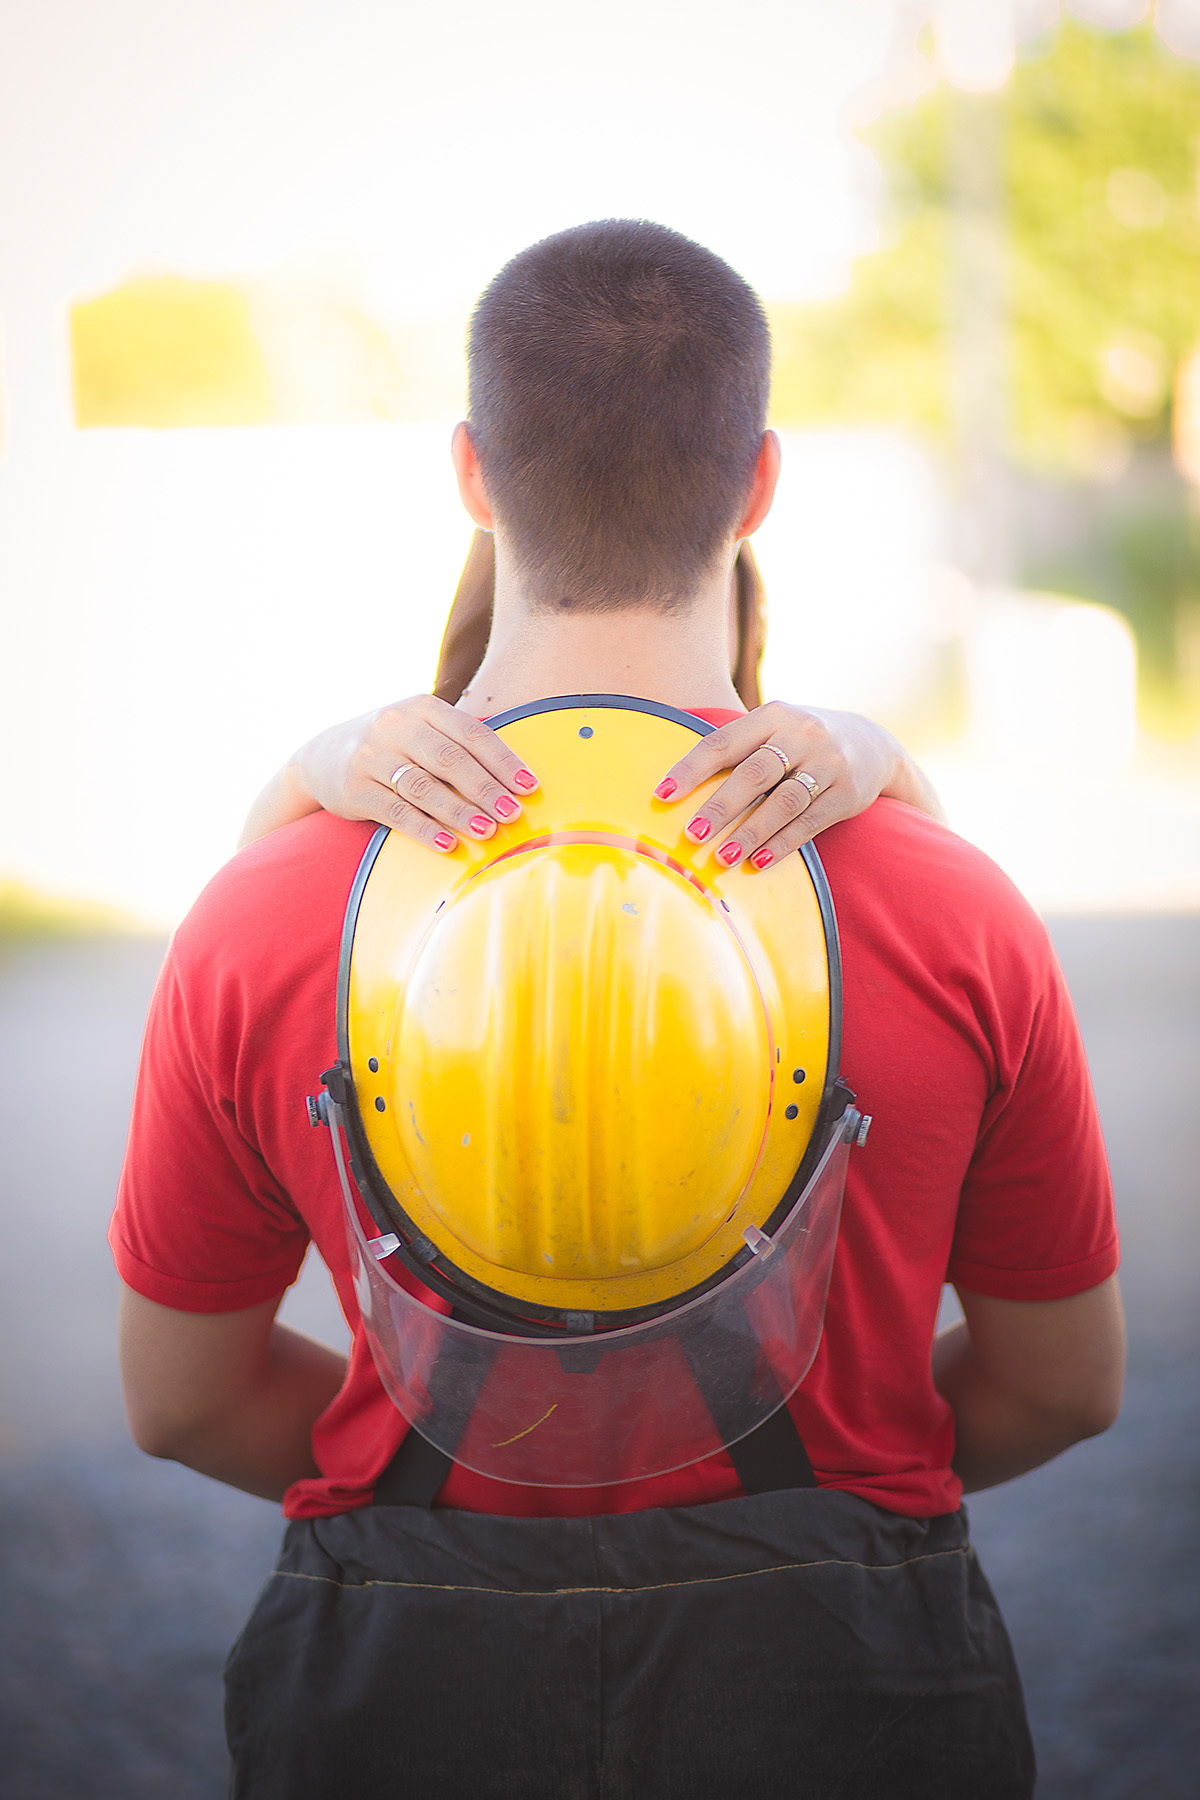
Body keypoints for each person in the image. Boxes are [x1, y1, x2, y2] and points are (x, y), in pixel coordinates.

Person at [112, 220, 1123, 1800]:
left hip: (404, 1700)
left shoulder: (259, 912)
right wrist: (866, 1479)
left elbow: (183, 1401)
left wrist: (422, 1477)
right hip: (845, 1695)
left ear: (471, 472)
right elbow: (1063, 1385)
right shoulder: (954, 906)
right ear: (762, 482)